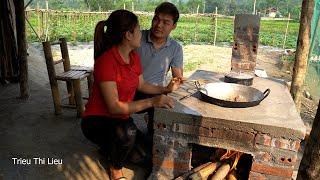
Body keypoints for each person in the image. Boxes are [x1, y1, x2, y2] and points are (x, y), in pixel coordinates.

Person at [80, 10, 180, 180]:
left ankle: (109, 148)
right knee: (129, 133)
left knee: (150, 154)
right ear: (128, 35)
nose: (142, 33)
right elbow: (114, 107)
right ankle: (115, 169)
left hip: (120, 119)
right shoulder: (106, 62)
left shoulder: (133, 57)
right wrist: (154, 101)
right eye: (139, 30)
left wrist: (166, 89)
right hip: (97, 121)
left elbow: (142, 85)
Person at [134, 2, 183, 136]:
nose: (159, 25)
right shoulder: (136, 39)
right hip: (130, 89)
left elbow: (177, 77)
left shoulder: (175, 48)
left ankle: (153, 127)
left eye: (166, 22)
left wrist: (176, 82)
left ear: (174, 26)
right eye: (156, 19)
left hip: (155, 91)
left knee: (156, 135)